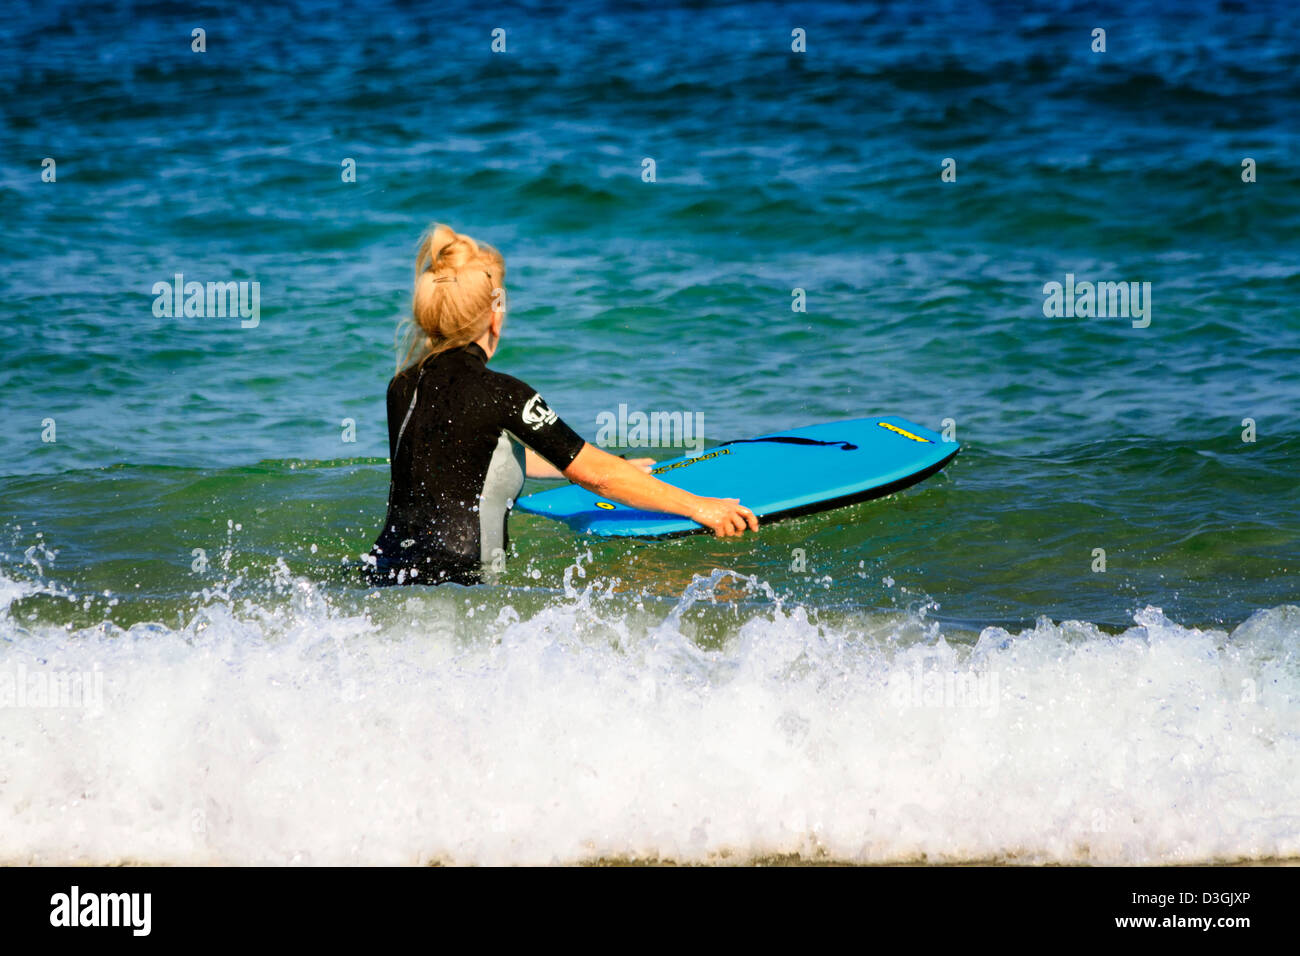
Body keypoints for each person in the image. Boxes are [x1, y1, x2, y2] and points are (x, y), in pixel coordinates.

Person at [364, 224, 757, 586]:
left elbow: (473, 454)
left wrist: (598, 467)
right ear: (495, 316)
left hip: (383, 576)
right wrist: (701, 507)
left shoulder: (401, 387)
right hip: (460, 590)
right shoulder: (502, 392)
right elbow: (596, 477)